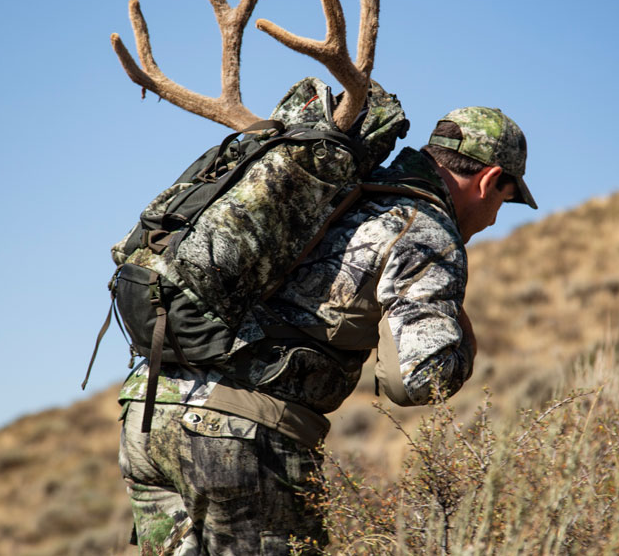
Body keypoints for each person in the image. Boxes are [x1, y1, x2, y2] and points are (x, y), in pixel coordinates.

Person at [117, 106, 538, 555]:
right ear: (490, 179)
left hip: (147, 416)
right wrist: (463, 335)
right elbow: (417, 381)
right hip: (240, 437)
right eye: (504, 200)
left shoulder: (343, 189)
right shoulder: (423, 229)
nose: (494, 218)